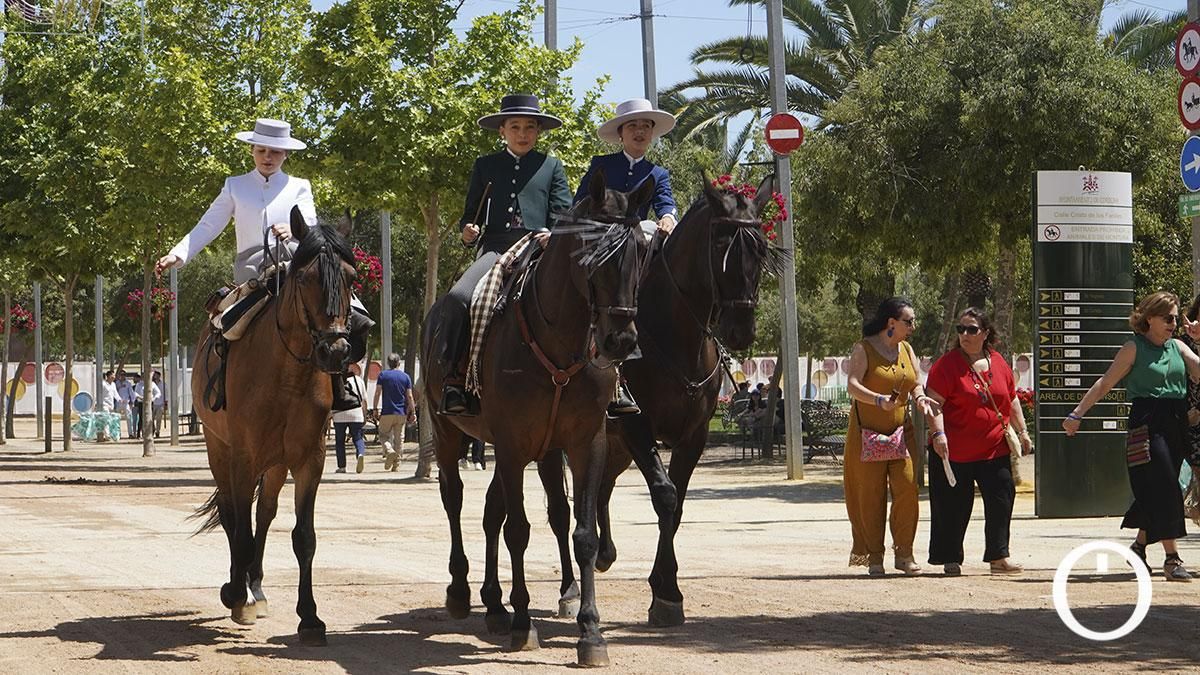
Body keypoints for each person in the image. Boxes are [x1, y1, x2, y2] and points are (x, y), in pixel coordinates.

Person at [154, 118, 370, 412]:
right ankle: (220, 385)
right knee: (226, 323)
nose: (268, 157)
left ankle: (339, 384)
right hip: (254, 276)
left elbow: (311, 226)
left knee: (350, 314)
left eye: (275, 152)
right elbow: (208, 225)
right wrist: (176, 255)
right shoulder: (235, 186)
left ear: (285, 155)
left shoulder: (299, 187)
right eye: (262, 150)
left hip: (297, 271)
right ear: (252, 151)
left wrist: (293, 231)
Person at [436, 94, 572, 415]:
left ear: (538, 131)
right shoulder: (485, 165)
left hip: (540, 247)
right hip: (495, 248)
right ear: (502, 131)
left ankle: (603, 385)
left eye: (529, 127)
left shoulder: (551, 166)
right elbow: (471, 215)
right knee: (457, 297)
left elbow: (564, 213)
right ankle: (455, 380)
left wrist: (554, 234)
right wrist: (467, 231)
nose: (522, 133)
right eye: (515, 127)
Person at [1064, 291, 1200, 581]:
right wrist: (1077, 414)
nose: (1173, 324)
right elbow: (1105, 383)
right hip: (1146, 424)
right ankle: (1171, 558)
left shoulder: (1178, 347)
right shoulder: (1133, 347)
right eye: (1167, 318)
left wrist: (1199, 340)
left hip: (1176, 423)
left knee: (1159, 488)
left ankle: (1139, 547)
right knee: (1166, 485)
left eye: (1175, 318)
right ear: (1149, 318)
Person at [573, 98, 678, 416]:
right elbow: (580, 203)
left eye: (646, 126)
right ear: (621, 133)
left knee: (649, 231)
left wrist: (670, 217)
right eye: (633, 125)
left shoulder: (657, 173)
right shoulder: (601, 166)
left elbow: (665, 202)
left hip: (635, 242)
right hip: (601, 243)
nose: (640, 131)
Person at [923, 308, 1031, 576]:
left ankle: (998, 556)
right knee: (953, 506)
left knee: (1002, 498)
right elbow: (933, 404)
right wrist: (938, 435)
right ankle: (949, 557)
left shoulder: (999, 362)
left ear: (985, 333)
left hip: (994, 447)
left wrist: (1023, 431)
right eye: (961, 329)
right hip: (954, 450)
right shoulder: (946, 365)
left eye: (971, 329)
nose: (965, 335)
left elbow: (1011, 398)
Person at [844, 297, 936, 576]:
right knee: (870, 495)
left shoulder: (906, 349)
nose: (913, 327)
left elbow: (915, 384)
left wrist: (921, 400)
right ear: (891, 323)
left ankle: (904, 553)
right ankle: (874, 556)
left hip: (901, 434)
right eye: (909, 321)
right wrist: (878, 400)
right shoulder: (864, 348)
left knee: (908, 489)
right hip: (866, 436)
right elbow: (852, 385)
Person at [371, 353, 416, 472]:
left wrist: (375, 408)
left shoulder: (383, 375)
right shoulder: (405, 377)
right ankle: (397, 464)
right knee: (399, 438)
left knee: (383, 435)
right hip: (401, 412)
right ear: (399, 363)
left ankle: (389, 450)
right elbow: (410, 396)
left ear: (388, 363)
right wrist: (413, 411)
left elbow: (377, 393)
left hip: (387, 411)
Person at [332, 364, 369, 474]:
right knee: (358, 438)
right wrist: (364, 415)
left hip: (339, 414)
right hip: (356, 413)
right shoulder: (358, 380)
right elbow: (364, 400)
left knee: (340, 441)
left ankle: (342, 466)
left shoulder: (335, 381)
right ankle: (360, 454)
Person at [133, 374, 160, 440]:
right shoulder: (139, 384)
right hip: (141, 402)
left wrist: (153, 398)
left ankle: (152, 433)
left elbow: (158, 393)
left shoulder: (152, 384)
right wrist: (140, 397)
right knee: (141, 418)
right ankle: (139, 433)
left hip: (150, 402)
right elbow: (135, 393)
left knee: (151, 417)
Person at [114, 370, 134, 436]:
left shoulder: (128, 383)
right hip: (118, 402)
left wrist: (132, 401)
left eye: (123, 375)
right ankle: (118, 434)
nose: (122, 376)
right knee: (117, 419)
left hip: (126, 402)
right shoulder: (116, 383)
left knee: (129, 418)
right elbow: (114, 392)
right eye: (121, 375)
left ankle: (130, 433)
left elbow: (131, 392)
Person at [151, 371, 166, 438]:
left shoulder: (163, 384)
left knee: (158, 419)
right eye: (154, 375)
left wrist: (166, 402)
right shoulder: (151, 384)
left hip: (160, 403)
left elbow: (166, 393)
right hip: (153, 403)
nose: (155, 376)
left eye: (156, 375)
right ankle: (152, 429)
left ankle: (158, 431)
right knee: (151, 418)